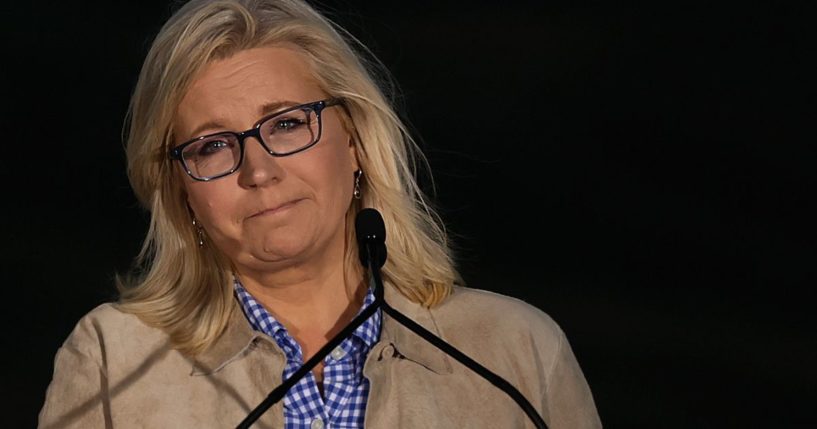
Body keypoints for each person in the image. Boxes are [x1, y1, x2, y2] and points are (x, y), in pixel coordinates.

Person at [39, 0, 601, 427]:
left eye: (286, 123)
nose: (257, 170)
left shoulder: (516, 351)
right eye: (211, 146)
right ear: (179, 189)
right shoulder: (114, 359)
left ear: (354, 139)